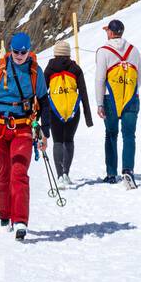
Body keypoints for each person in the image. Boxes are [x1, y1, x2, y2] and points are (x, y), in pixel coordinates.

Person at [0, 31, 50, 241]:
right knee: (4, 173)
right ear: (10, 50)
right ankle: (5, 217)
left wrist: (44, 132)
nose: (19, 55)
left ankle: (20, 221)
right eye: (16, 52)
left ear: (29, 51)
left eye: (23, 52)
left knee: (19, 173)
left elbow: (44, 102)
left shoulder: (35, 71)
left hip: (22, 128)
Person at [94, 19, 141, 186]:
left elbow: (100, 79)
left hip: (110, 99)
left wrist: (100, 103)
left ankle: (111, 173)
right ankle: (128, 170)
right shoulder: (134, 50)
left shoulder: (103, 51)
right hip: (131, 97)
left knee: (111, 135)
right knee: (129, 135)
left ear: (110, 32)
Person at [43, 41, 92, 186]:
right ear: (69, 53)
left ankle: (59, 177)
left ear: (55, 53)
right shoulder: (76, 69)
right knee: (69, 141)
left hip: (54, 110)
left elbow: (42, 93)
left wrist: (39, 116)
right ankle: (66, 174)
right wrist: (88, 118)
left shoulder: (50, 69)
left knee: (57, 141)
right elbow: (83, 92)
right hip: (73, 110)